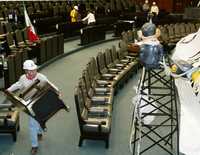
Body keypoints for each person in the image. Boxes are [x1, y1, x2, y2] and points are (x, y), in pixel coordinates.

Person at [7, 60, 61, 155]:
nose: (32, 73)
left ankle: (39, 131)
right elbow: (17, 85)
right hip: (31, 104)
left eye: (34, 70)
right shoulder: (23, 78)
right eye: (30, 71)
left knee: (40, 119)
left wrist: (57, 92)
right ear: (25, 71)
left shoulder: (41, 77)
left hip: (42, 101)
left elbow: (50, 85)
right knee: (32, 125)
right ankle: (34, 146)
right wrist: (8, 90)